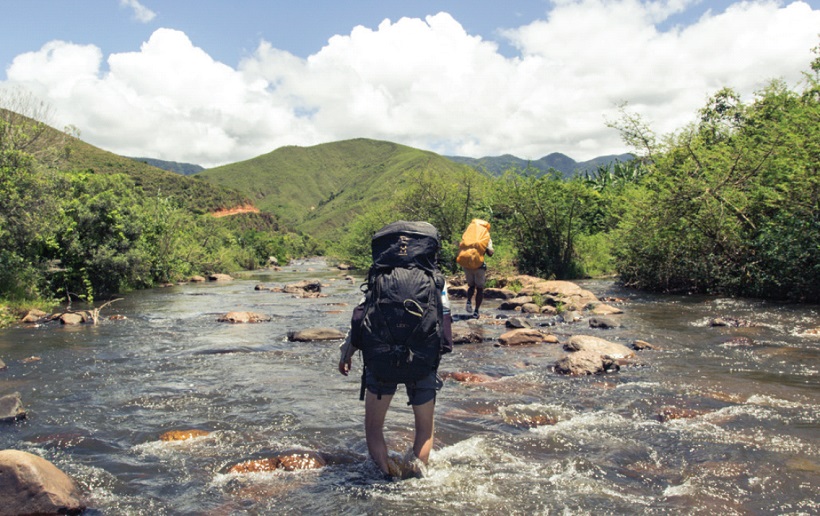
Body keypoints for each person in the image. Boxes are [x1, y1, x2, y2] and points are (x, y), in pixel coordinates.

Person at [338, 269, 451, 479]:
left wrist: (346, 353)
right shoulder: (435, 279)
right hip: (422, 362)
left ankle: (384, 479)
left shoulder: (380, 277)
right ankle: (413, 480)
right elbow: (443, 323)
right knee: (424, 430)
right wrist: (434, 358)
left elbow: (360, 318)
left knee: (374, 427)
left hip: (381, 360)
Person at [459, 222, 494, 318]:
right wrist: (486, 247)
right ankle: (476, 311)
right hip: (479, 267)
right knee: (479, 289)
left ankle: (469, 301)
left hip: (467, 266)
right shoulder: (486, 237)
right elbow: (490, 253)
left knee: (471, 286)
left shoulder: (469, 235)